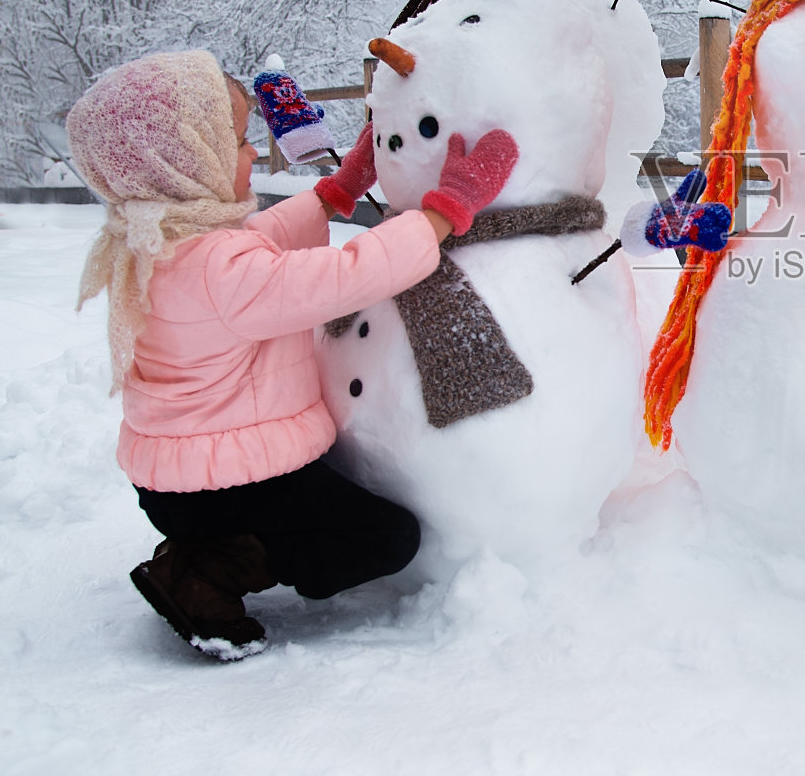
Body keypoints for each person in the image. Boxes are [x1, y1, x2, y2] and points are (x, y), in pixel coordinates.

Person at [65, 49, 518, 660]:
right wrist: (445, 209)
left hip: (183, 480)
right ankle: (209, 569)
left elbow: (260, 242)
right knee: (384, 537)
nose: (254, 153)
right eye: (237, 143)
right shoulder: (217, 271)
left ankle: (207, 543)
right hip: (223, 487)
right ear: (186, 164)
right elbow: (348, 275)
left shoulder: (161, 243)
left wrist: (337, 193)